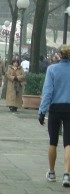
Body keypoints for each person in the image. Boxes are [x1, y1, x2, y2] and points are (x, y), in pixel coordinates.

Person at [39, 44, 70, 187]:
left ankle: (51, 172)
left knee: (53, 141)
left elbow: (48, 92)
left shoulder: (52, 69)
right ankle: (66, 174)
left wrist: (42, 111)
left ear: (59, 55)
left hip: (55, 108)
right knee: (68, 142)